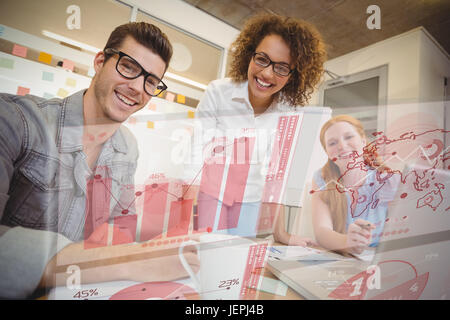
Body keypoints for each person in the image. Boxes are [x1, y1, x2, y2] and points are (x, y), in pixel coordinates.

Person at [0, 22, 198, 299]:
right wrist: (129, 260)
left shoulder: (127, 147)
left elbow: (121, 226)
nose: (137, 88)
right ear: (100, 61)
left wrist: (157, 241)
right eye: (128, 67)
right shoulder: (15, 121)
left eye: (151, 82)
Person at [183, 14, 326, 244]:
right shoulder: (219, 92)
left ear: (292, 76)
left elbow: (277, 175)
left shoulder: (288, 113)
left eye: (281, 68)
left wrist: (280, 233)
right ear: (250, 54)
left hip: (250, 200)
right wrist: (184, 217)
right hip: (211, 194)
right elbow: (194, 154)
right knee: (207, 255)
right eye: (262, 59)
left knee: (235, 263)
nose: (267, 73)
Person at [311, 115, 400, 254]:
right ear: (327, 152)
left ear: (363, 141)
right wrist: (347, 242)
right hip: (341, 259)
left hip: (380, 259)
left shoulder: (388, 179)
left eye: (349, 137)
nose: (342, 146)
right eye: (332, 143)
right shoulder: (321, 179)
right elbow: (322, 231)